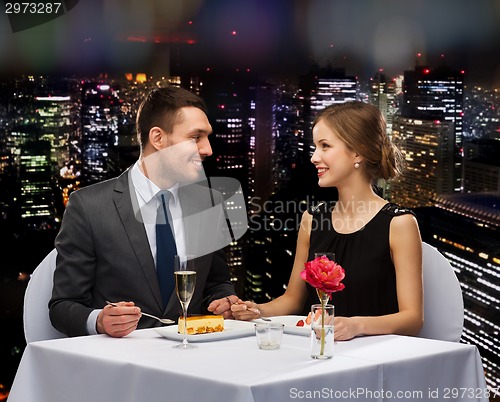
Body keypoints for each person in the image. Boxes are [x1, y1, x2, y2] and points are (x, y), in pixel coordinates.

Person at [49, 86, 240, 338]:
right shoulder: (88, 206)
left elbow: (216, 283)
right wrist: (99, 321)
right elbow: (62, 306)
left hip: (194, 361)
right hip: (121, 367)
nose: (207, 150)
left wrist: (224, 302)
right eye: (195, 138)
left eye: (207, 138)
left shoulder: (207, 203)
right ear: (158, 139)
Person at [232, 101, 423, 341]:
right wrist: (257, 310)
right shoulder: (311, 219)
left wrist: (355, 326)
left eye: (325, 146)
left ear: (358, 152)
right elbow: (292, 300)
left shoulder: (399, 224)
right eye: (315, 147)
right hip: (317, 353)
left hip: (375, 359)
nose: (314, 157)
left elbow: (413, 319)